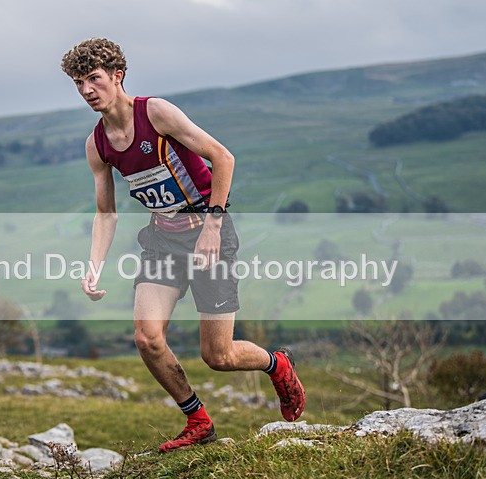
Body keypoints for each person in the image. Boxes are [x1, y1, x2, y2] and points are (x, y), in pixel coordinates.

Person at [60, 38, 305, 452]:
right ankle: (198, 420)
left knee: (219, 356)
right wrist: (94, 264)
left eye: (94, 79)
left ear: (117, 76)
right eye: (78, 82)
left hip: (209, 233)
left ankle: (276, 364)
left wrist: (213, 226)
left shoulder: (155, 112)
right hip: (163, 241)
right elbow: (106, 213)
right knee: (146, 337)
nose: (86, 90)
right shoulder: (97, 145)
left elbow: (223, 158)